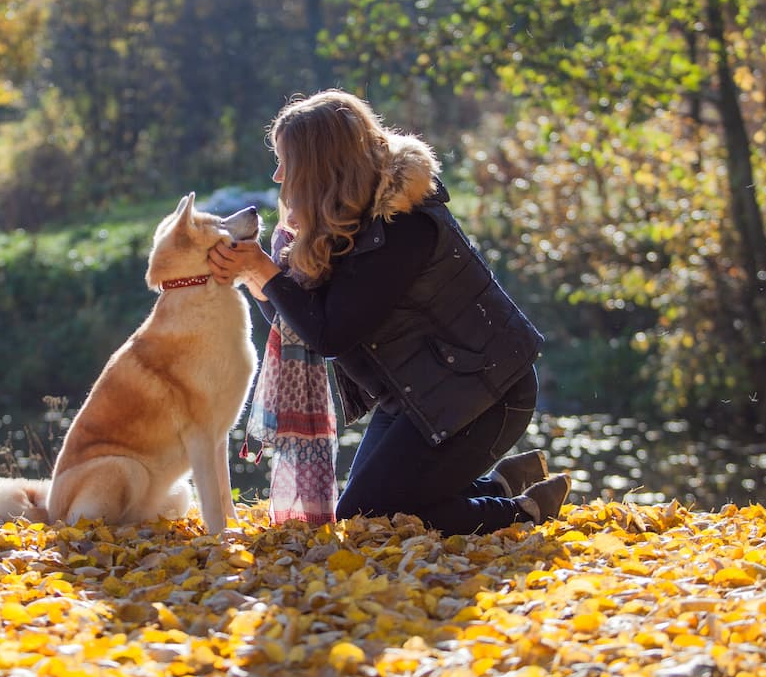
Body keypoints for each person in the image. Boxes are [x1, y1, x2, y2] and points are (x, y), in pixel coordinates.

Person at [208, 89, 571, 535]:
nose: (279, 174)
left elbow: (330, 336)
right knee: (367, 510)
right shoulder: (344, 220)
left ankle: (523, 512)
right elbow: (302, 324)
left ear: (322, 166)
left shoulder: (400, 225)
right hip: (423, 394)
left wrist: (264, 271)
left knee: (368, 517)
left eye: (288, 161)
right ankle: (498, 483)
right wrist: (257, 275)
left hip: (487, 392)